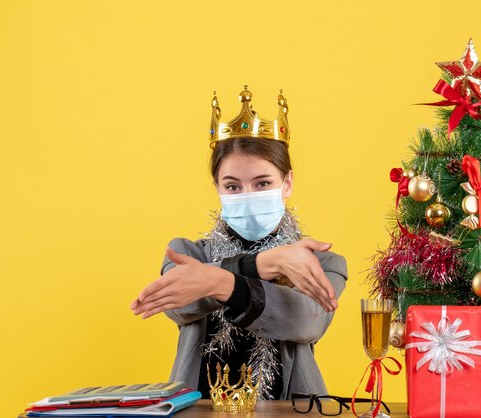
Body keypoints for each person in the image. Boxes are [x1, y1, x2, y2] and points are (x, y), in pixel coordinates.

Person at [130, 87, 347, 400]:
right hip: (200, 408)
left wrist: (219, 281)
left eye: (262, 183)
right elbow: (179, 306)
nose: (247, 195)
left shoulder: (323, 262)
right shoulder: (188, 253)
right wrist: (262, 264)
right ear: (217, 188)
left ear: (287, 183)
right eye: (233, 186)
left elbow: (306, 321)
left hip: (290, 410)